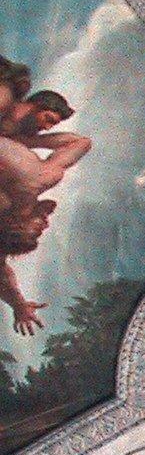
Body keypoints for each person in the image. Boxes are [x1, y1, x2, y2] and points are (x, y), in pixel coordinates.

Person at [0, 90, 90, 335]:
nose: (45, 227)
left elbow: (2, 275)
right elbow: (80, 143)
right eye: (48, 118)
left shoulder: (29, 183)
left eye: (36, 232)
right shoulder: (33, 181)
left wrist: (19, 305)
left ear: (18, 224)